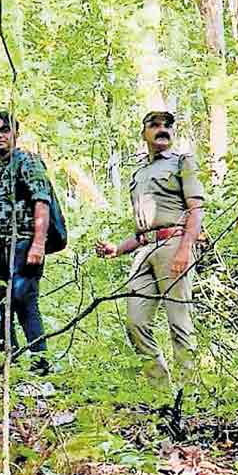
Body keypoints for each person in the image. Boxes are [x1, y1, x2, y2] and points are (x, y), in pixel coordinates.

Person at [95, 110, 205, 387]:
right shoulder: (139, 173)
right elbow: (144, 230)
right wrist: (118, 249)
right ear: (144, 133)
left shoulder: (182, 161)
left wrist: (184, 249)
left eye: (167, 125)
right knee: (136, 322)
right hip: (145, 251)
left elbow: (195, 209)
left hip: (174, 245)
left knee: (179, 322)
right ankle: (161, 390)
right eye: (154, 125)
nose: (162, 129)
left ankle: (188, 392)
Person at [0, 111, 53, 375]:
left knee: (24, 302)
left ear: (15, 132)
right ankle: (9, 369)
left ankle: (40, 367)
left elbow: (42, 201)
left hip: (23, 244)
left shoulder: (27, 161)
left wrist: (38, 244)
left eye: (4, 130)